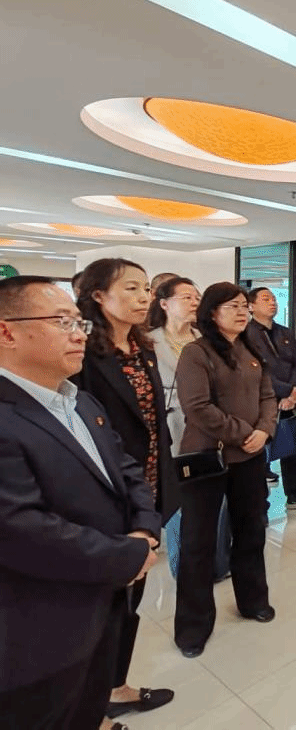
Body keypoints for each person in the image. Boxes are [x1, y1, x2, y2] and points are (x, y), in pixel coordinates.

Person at [0, 276, 159, 730]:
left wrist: (144, 528)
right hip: (40, 624)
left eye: (80, 323)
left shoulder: (79, 400)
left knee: (89, 705)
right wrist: (127, 555)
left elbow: (125, 469)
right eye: (62, 322)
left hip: (100, 602)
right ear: (7, 332)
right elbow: (18, 527)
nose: (79, 334)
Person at [71, 258, 176, 726]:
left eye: (146, 288)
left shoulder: (141, 347)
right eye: (131, 288)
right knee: (99, 607)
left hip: (146, 491)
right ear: (98, 296)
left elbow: (154, 425)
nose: (143, 297)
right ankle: (88, 704)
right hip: (104, 496)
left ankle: (116, 685)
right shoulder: (82, 354)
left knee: (131, 599)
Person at [173, 283, 278, 658]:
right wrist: (245, 433)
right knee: (198, 543)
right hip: (207, 457)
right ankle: (193, 627)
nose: (242, 312)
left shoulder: (251, 349)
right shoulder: (196, 352)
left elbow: (268, 396)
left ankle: (253, 601)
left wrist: (265, 430)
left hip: (250, 457)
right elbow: (198, 407)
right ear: (212, 312)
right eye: (233, 306)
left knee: (251, 532)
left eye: (244, 306)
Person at [148, 278, 232, 583]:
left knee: (215, 498)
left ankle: (217, 563)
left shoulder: (207, 339)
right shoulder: (149, 342)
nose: (195, 302)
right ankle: (183, 567)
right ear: (164, 304)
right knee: (179, 502)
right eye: (186, 297)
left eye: (197, 297)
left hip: (210, 427)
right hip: (171, 429)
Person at [247, 288, 296, 511]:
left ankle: (295, 495)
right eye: (265, 299)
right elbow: (258, 371)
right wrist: (286, 390)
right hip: (262, 402)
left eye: (274, 299)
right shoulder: (246, 334)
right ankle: (259, 505)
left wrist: (295, 391)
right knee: (260, 453)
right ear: (251, 306)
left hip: (290, 400)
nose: (272, 302)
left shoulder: (284, 332)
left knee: (292, 449)